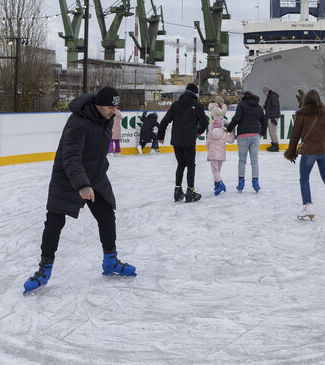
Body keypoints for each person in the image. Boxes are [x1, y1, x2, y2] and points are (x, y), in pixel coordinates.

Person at [23, 86, 135, 293]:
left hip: (95, 175)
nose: (114, 111)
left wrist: (96, 175)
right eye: (111, 107)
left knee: (107, 215)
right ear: (98, 105)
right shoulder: (78, 123)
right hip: (67, 176)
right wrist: (82, 185)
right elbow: (71, 156)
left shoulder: (107, 118)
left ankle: (110, 262)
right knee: (55, 221)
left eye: (116, 107)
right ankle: (44, 269)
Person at [284, 90, 325, 220]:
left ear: (305, 101)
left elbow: (295, 135)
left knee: (304, 179)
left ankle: (308, 207)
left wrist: (291, 152)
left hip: (309, 152)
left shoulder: (301, 115)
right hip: (324, 151)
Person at [158, 83, 209, 202]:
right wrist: (199, 132)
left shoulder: (176, 105)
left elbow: (165, 121)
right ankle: (190, 191)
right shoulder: (197, 105)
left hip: (176, 140)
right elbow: (205, 122)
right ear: (195, 93)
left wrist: (160, 136)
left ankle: (177, 190)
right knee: (191, 165)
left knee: (181, 164)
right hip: (189, 140)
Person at [226, 90, 266, 192]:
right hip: (255, 135)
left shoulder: (241, 105)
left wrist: (229, 128)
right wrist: (262, 133)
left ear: (244, 96)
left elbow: (237, 118)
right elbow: (264, 121)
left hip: (243, 134)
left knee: (242, 160)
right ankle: (256, 183)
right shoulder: (258, 107)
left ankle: (241, 182)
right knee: (254, 160)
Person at [206, 109, 235, 195]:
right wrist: (232, 133)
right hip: (221, 156)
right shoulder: (224, 133)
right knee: (218, 170)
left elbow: (207, 144)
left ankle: (221, 184)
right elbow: (231, 141)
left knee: (215, 171)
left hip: (213, 155)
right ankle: (217, 185)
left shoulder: (210, 133)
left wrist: (209, 150)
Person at [262, 85, 281, 152]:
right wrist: (264, 106)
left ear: (267, 91)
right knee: (271, 131)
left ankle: (276, 146)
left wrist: (273, 117)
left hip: (273, 116)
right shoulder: (270, 96)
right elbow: (269, 106)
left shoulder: (273, 96)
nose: (264, 94)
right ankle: (274, 144)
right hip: (271, 116)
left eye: (264, 92)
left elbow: (275, 107)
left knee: (272, 132)